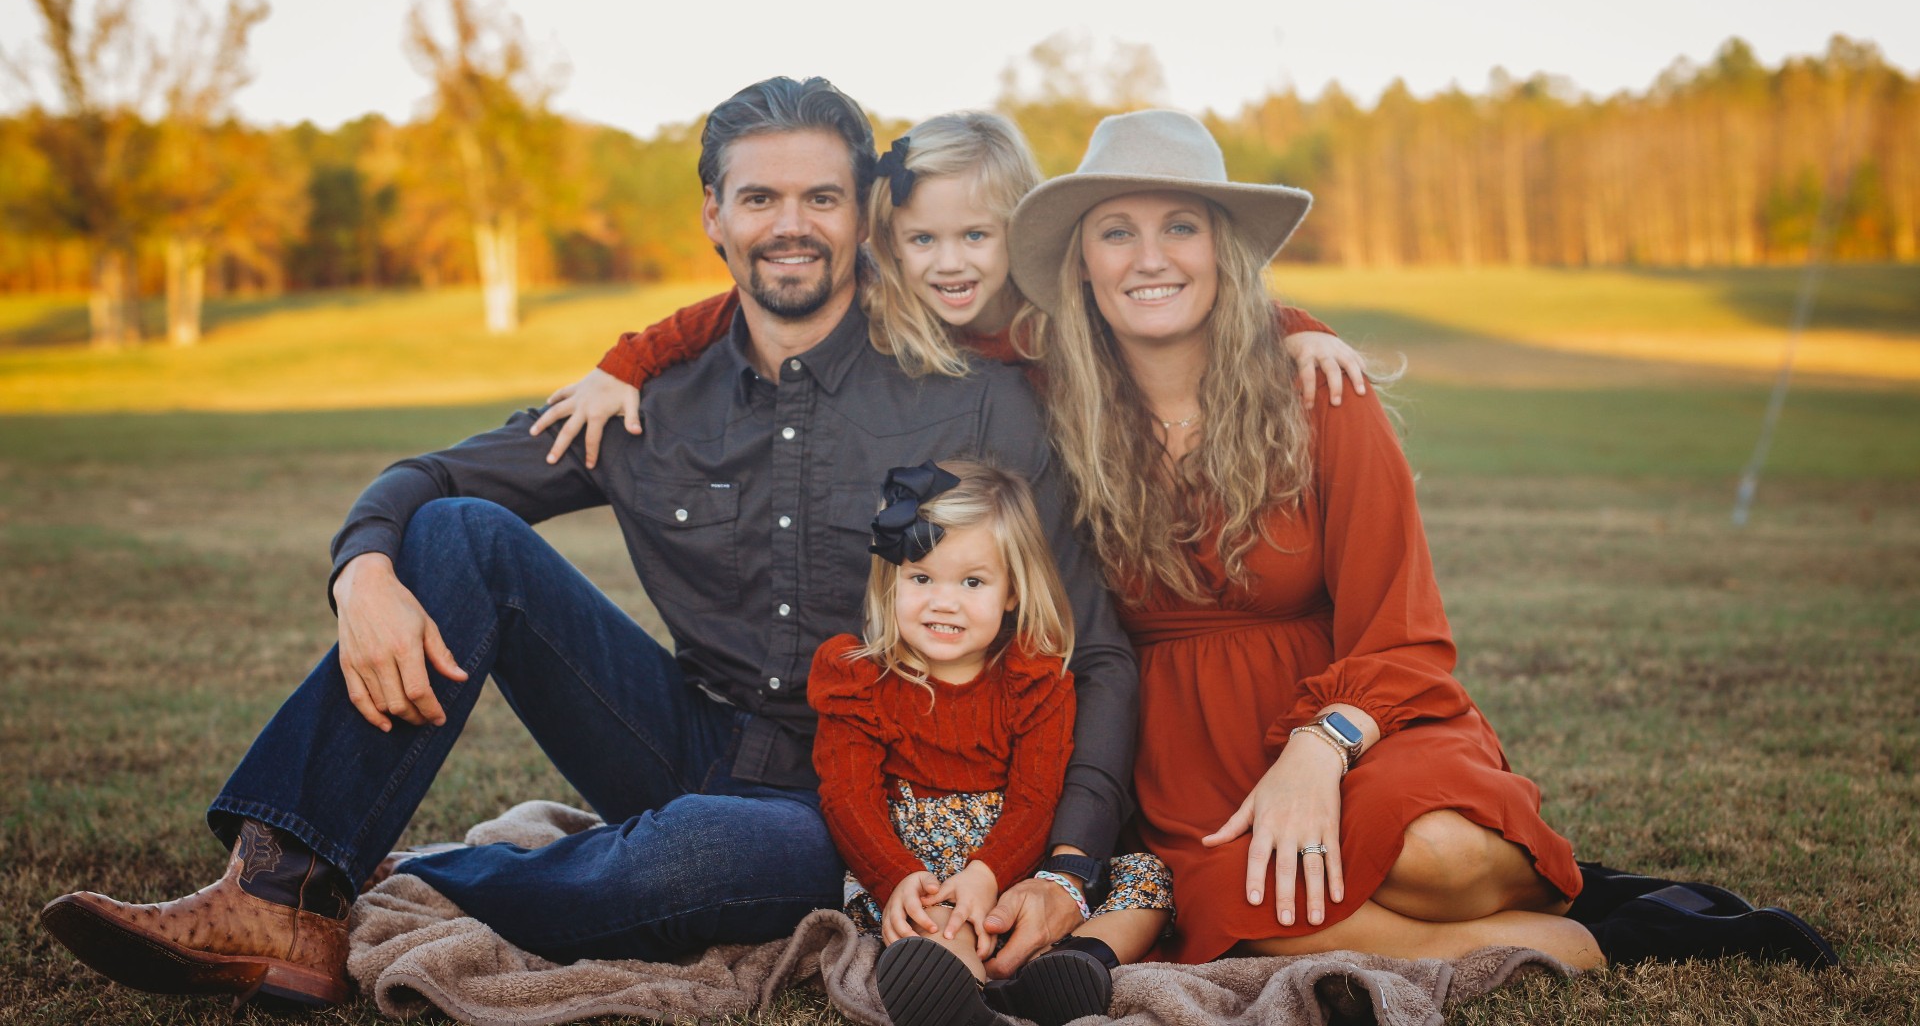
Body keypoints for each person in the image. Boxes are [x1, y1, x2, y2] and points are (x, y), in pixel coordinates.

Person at [39, 77, 1139, 1008]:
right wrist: (363, 567)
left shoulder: (977, 402)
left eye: (820, 197)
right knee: (460, 531)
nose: (789, 223)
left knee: (718, 851)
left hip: (854, 789)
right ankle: (277, 888)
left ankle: (428, 874)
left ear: (864, 215)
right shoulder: (644, 397)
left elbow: (1092, 649)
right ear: (715, 214)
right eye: (759, 197)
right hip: (680, 731)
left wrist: (1075, 863)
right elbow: (434, 478)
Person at [1004, 108, 1839, 972]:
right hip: (1183, 755)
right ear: (1082, 264)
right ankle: (1619, 935)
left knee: (1439, 856)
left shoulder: (1320, 391)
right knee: (1250, 906)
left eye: (1180, 225)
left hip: (1355, 711)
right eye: (1116, 231)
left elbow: (1406, 631)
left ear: (1224, 251)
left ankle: (1539, 905)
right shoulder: (1047, 408)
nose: (1150, 257)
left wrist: (1318, 748)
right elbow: (943, 332)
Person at [528, 109, 1368, 471]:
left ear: (1022, 233)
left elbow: (1192, 306)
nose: (949, 264)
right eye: (922, 240)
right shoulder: (881, 305)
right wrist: (624, 366)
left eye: (976, 237)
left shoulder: (1059, 316)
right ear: (889, 241)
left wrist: (1299, 326)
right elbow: (722, 313)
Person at [811, 461, 1172, 1026]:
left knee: (1148, 882)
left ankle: (1078, 962)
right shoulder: (860, 679)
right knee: (941, 925)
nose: (943, 602)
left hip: (1015, 863)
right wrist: (896, 877)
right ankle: (962, 996)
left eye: (972, 582)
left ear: (1012, 592)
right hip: (920, 871)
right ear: (893, 580)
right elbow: (847, 797)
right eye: (921, 578)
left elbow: (1037, 798)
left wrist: (990, 874)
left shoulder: (1033, 679)